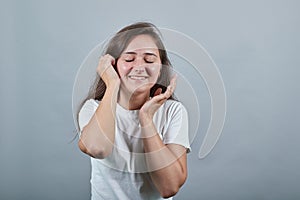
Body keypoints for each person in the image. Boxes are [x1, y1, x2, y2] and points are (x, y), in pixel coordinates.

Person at [77, 22, 190, 200]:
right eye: (129, 59)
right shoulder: (92, 108)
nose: (139, 66)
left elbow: (169, 187)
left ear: (161, 68)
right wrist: (112, 83)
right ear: (113, 66)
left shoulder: (173, 111)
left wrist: (146, 119)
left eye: (149, 59)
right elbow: (97, 149)